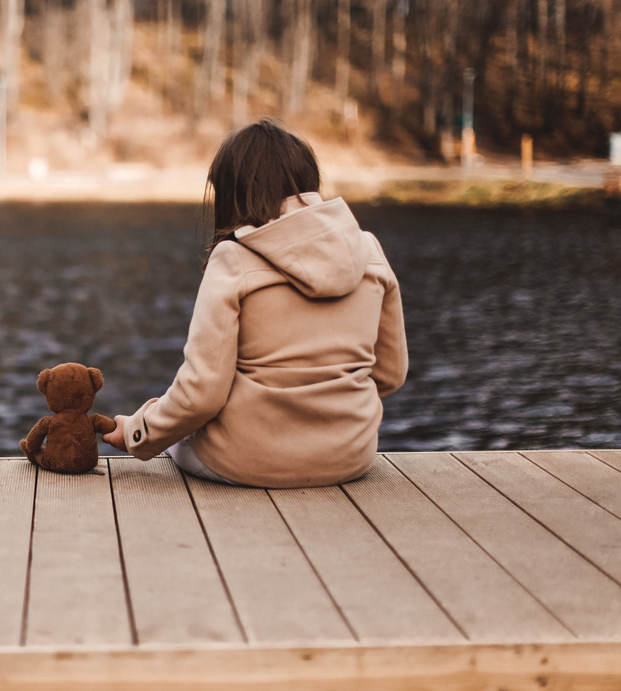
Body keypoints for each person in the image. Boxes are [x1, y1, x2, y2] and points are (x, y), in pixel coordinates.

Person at [102, 119, 408, 488]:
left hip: (245, 462)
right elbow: (391, 372)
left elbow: (201, 396)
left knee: (180, 438)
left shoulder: (234, 259)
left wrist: (137, 431)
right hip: (351, 458)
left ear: (233, 192)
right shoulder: (368, 249)